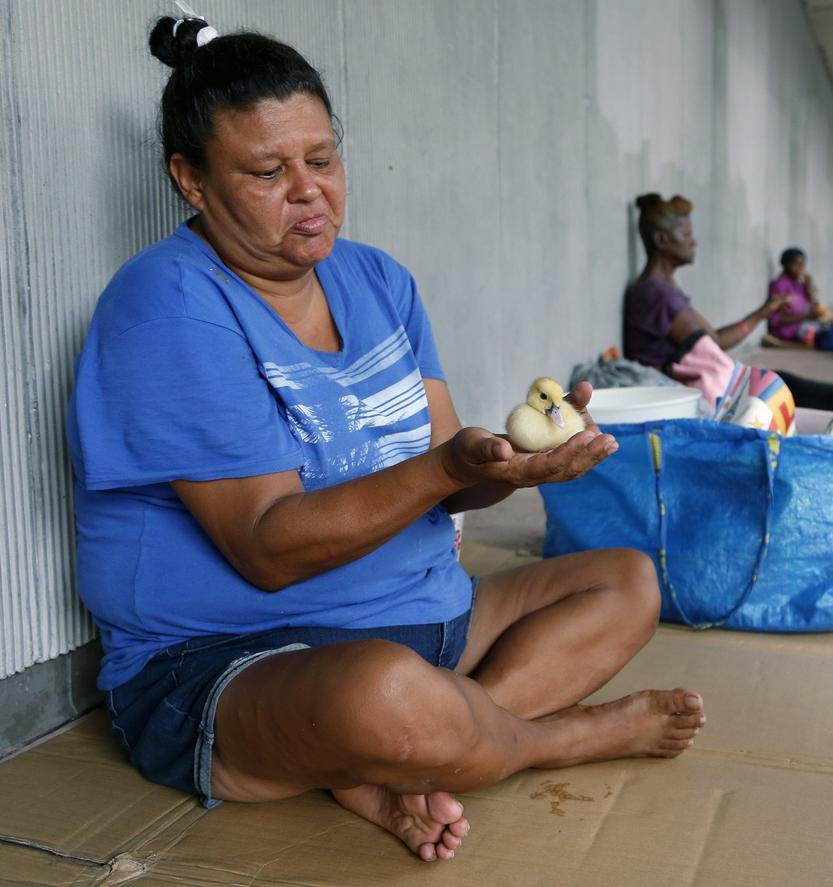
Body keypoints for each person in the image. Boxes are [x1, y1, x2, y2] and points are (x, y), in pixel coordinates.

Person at [66, 19, 704, 864]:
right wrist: (445, 466)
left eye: (322, 160)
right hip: (239, 660)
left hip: (425, 618)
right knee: (381, 695)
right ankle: (547, 739)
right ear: (191, 180)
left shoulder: (377, 279)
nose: (309, 192)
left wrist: (512, 469)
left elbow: (452, 475)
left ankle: (421, 752)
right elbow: (267, 549)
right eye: (267, 172)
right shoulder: (168, 308)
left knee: (627, 580)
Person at [623, 194, 833, 412]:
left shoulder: (663, 289)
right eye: (686, 235)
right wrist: (764, 312)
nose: (694, 242)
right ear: (662, 241)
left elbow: (710, 341)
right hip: (683, 390)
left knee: (783, 381)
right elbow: (717, 343)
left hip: (697, 378)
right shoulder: (655, 294)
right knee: (781, 386)